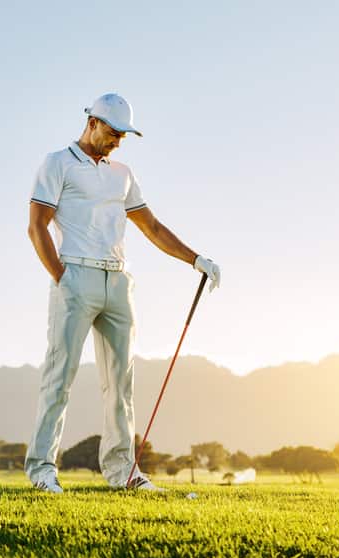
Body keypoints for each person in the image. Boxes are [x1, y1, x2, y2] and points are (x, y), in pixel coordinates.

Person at [25, 93, 220, 494]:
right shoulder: (57, 163)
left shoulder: (123, 174)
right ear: (92, 123)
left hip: (119, 282)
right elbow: (37, 227)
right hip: (75, 276)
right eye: (113, 133)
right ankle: (42, 469)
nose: (118, 141)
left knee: (120, 383)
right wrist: (63, 278)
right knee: (59, 377)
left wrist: (196, 259)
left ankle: (123, 473)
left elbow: (151, 227)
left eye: (123, 136)